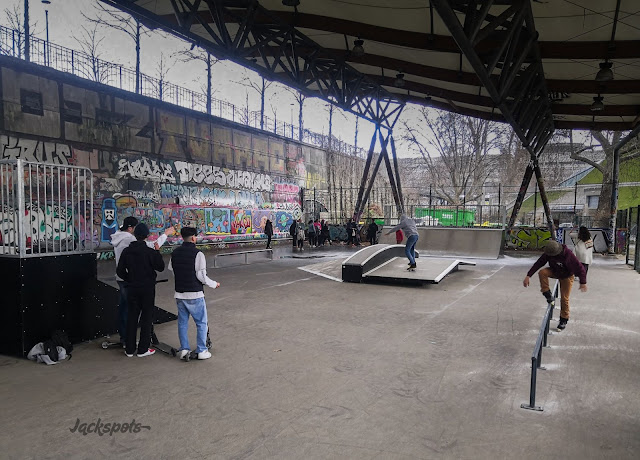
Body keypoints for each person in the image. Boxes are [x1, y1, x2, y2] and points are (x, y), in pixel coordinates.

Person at [110, 217, 173, 348]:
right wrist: (165, 234)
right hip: (135, 280)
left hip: (123, 278)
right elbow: (149, 248)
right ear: (130, 228)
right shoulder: (129, 239)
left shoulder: (118, 237)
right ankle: (136, 344)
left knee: (126, 309)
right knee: (139, 313)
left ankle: (126, 341)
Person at [168, 227, 220, 360]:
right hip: (195, 294)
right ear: (193, 238)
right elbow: (201, 276)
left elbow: (173, 271)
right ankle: (202, 350)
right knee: (201, 323)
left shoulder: (175, 253)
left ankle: (184, 349)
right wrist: (214, 284)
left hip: (179, 294)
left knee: (182, 323)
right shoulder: (198, 254)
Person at [523, 240, 587, 331]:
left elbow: (580, 268)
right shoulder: (548, 253)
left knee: (564, 298)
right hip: (555, 272)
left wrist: (583, 282)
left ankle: (563, 319)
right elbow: (539, 263)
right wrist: (528, 275)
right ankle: (546, 293)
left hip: (567, 276)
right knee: (542, 272)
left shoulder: (568, 254)